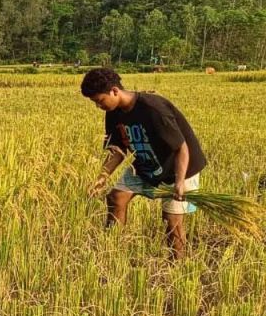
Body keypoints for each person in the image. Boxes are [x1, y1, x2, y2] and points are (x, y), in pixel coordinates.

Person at [82, 67, 207, 257]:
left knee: (171, 220)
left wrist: (180, 182)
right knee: (116, 197)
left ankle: (178, 264)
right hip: (145, 164)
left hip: (179, 167)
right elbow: (117, 150)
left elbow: (181, 148)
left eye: (100, 101)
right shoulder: (114, 112)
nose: (99, 106)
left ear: (114, 91)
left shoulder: (153, 109)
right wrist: (101, 179)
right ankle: (113, 250)